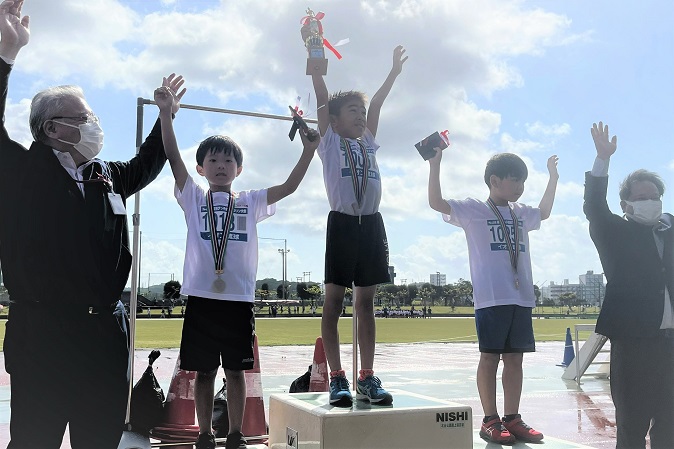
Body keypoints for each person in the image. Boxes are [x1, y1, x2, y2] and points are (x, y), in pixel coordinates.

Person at [0, 2, 182, 448]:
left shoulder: (106, 176)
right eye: (81, 119)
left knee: (99, 439)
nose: (93, 126)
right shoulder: (21, 172)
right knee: (34, 440)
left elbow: (145, 165)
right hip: (44, 333)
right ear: (51, 128)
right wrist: (5, 58)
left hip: (104, 335)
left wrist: (165, 118)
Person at [154, 84, 319, 449]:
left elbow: (289, 187)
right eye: (213, 161)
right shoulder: (193, 198)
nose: (221, 166)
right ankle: (204, 434)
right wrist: (166, 113)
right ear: (202, 167)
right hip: (200, 297)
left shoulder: (251, 201)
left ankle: (235, 433)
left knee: (236, 371)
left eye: (228, 161)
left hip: (238, 300)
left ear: (239, 168)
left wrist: (309, 151)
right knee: (203, 371)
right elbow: (172, 158)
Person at [428, 148, 558, 444]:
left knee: (515, 360)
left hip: (521, 297)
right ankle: (490, 419)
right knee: (490, 358)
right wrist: (435, 165)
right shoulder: (475, 209)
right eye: (515, 180)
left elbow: (545, 212)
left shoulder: (521, 213)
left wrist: (553, 178)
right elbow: (436, 202)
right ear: (494, 180)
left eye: (523, 182)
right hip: (491, 298)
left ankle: (512, 418)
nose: (520, 187)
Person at [309, 45, 407, 407]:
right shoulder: (330, 142)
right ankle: (338, 379)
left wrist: (393, 72)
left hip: (372, 224)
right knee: (333, 303)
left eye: (362, 112)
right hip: (343, 224)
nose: (362, 116)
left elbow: (378, 104)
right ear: (334, 121)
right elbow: (322, 98)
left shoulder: (367, 141)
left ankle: (366, 377)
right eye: (353, 111)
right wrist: (317, 66)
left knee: (366, 304)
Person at [584, 121, 674, 449]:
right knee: (632, 428)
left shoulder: (671, 228)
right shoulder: (614, 233)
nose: (650, 202)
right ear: (626, 205)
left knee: (670, 428)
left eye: (655, 196)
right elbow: (593, 207)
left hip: (672, 346)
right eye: (641, 197)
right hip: (634, 346)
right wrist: (602, 160)